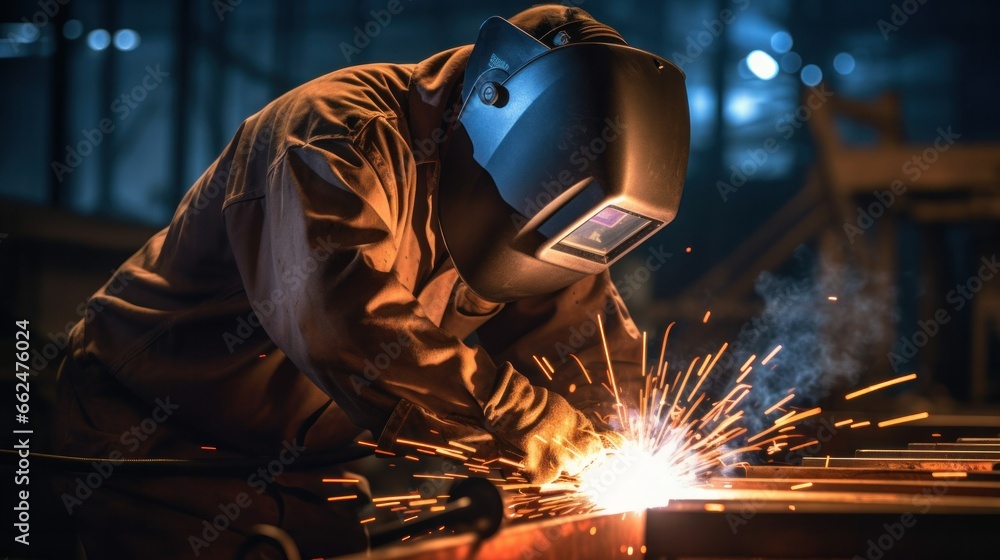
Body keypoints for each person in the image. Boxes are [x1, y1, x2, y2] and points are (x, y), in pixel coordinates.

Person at [52, 4, 689, 558]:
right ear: (495, 111)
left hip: (304, 465)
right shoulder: (334, 137)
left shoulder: (554, 195)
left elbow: (582, 333)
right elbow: (348, 325)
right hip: (158, 437)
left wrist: (620, 439)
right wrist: (543, 434)